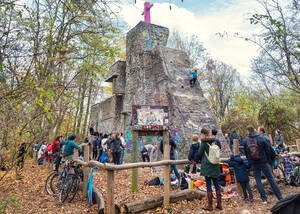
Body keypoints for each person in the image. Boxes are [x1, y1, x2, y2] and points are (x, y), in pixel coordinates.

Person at [242, 125, 282, 203]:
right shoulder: (262, 138)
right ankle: (280, 197)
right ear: (254, 130)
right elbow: (268, 150)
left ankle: (264, 199)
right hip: (264, 162)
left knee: (258, 180)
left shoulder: (246, 140)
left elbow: (246, 153)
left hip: (254, 163)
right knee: (271, 179)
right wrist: (268, 160)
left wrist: (250, 162)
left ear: (248, 131)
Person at [198, 128, 222, 211]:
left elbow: (199, 153)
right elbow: (220, 148)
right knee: (216, 184)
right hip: (215, 165)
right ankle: (219, 204)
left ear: (203, 134)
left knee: (208, 185)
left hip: (207, 166)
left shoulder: (204, 142)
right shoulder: (216, 140)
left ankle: (210, 205)